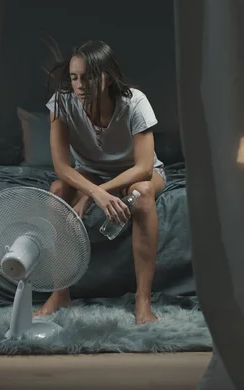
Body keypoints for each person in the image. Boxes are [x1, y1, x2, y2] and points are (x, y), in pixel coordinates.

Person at [33, 40, 166, 324]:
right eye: (73, 77)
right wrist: (92, 190)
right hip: (89, 172)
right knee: (56, 191)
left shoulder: (135, 102)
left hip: (136, 174)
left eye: (87, 77)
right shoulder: (61, 104)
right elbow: (62, 167)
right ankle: (60, 294)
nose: (79, 85)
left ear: (105, 78)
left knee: (142, 194)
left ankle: (143, 301)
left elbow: (143, 168)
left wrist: (93, 195)